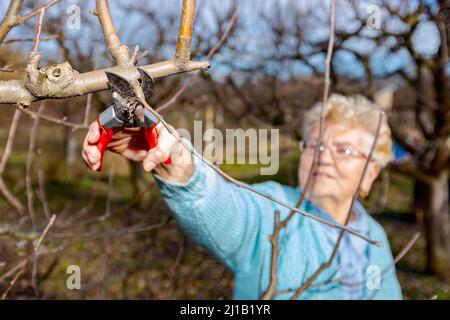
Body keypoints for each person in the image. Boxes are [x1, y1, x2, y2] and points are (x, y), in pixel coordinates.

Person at [82, 94, 402, 299]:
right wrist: (178, 167)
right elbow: (225, 209)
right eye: (315, 145)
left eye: (343, 149)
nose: (323, 157)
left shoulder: (374, 236)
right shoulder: (273, 208)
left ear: (371, 172)